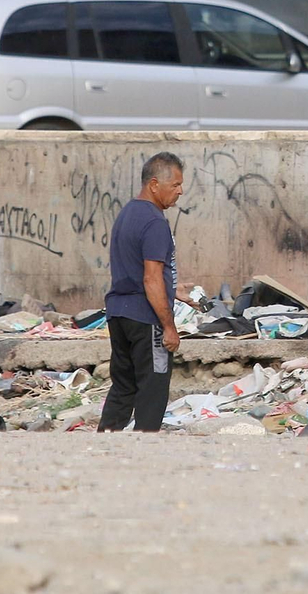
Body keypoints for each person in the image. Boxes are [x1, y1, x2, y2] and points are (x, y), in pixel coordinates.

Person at [98, 152, 186, 433]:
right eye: (175, 185)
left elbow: (135, 270)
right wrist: (169, 326)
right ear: (154, 185)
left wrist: (174, 290)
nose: (180, 191)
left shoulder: (127, 214)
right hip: (145, 319)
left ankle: (104, 442)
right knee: (153, 388)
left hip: (118, 314)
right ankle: (145, 445)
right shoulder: (155, 222)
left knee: (123, 386)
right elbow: (150, 278)